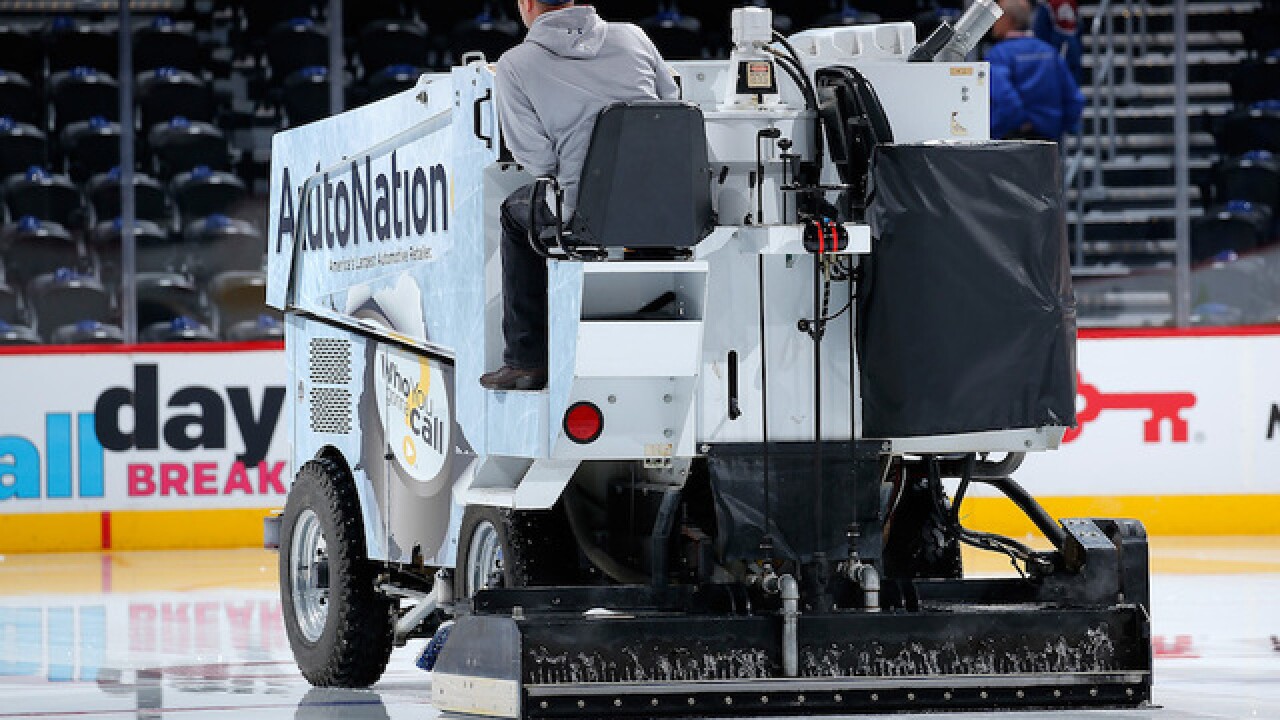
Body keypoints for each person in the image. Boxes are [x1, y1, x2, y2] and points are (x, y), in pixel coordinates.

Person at [479, 0, 679, 391]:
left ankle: (526, 360)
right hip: (663, 203)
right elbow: (670, 106)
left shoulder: (516, 64)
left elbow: (537, 160)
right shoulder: (633, 36)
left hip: (583, 211)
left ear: (527, 5)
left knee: (514, 214)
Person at [985, 0, 1085, 142]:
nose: (992, 24)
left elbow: (1006, 100)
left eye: (995, 18)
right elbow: (1075, 100)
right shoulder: (1050, 51)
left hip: (1011, 142)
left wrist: (1019, 127)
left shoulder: (998, 55)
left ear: (1007, 19)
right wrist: (1055, 128)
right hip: (1049, 140)